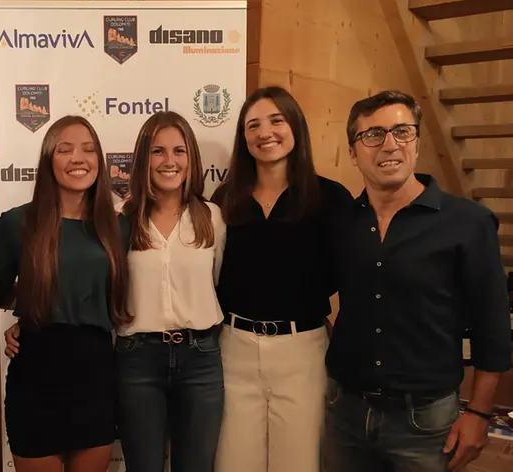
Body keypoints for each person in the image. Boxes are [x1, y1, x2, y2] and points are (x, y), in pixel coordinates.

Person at [324, 90, 512, 472]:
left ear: (417, 141)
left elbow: (492, 327)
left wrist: (478, 413)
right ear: (353, 151)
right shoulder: (341, 221)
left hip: (424, 423)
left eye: (401, 131)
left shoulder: (468, 222)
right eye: (373, 134)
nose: (389, 144)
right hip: (344, 413)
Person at [210, 86, 354, 472]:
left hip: (302, 352)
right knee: (233, 463)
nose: (265, 133)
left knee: (298, 464)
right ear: (243, 138)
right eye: (252, 125)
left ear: (296, 127)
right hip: (233, 349)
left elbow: (355, 277)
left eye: (276, 120)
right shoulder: (225, 199)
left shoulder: (331, 197)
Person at [0, 115, 131, 472]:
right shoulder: (16, 223)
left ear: (100, 160)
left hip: (96, 374)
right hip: (36, 376)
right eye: (64, 149)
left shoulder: (119, 227)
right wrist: (31, 309)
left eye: (88, 149)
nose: (78, 158)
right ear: (48, 160)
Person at [115, 111, 226, 471]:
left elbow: (219, 282)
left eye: (179, 151)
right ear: (143, 160)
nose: (169, 161)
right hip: (137, 360)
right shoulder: (119, 218)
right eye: (158, 151)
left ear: (191, 158)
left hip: (201, 358)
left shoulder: (213, 217)